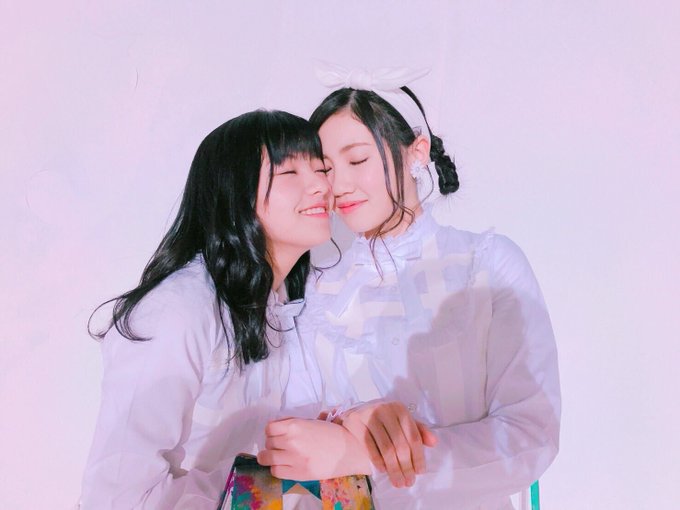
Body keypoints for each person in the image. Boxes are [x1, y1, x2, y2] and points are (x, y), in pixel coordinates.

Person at [277, 66, 562, 509]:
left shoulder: (486, 264)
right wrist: (345, 424)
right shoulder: (315, 292)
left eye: (357, 160)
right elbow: (292, 438)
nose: (340, 185)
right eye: (327, 169)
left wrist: (370, 454)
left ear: (416, 151)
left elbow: (530, 437)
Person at [80, 110, 374, 509]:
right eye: (290, 172)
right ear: (235, 192)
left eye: (321, 169)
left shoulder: (284, 303)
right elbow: (119, 497)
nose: (322, 185)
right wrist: (266, 480)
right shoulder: (177, 312)